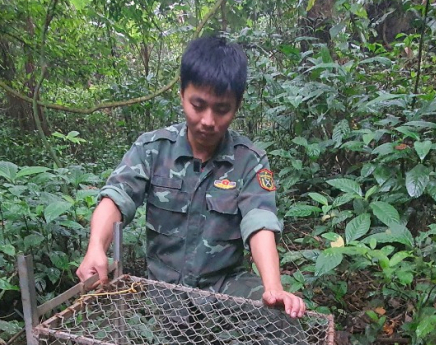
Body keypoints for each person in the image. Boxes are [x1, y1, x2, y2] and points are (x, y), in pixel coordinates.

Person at [76, 35, 305, 319]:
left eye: (221, 109)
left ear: (237, 106)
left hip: (224, 288)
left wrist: (273, 288)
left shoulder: (249, 160)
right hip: (161, 291)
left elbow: (259, 223)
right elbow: (116, 198)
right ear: (182, 94)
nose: (208, 121)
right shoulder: (153, 149)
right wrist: (96, 248)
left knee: (280, 319)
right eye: (198, 105)